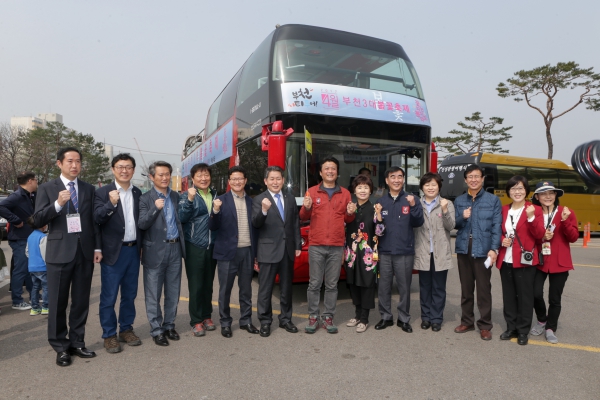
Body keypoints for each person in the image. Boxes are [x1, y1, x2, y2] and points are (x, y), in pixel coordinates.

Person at [33, 147, 102, 367]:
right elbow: (37, 219)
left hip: (84, 251)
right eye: (70, 161)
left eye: (78, 161)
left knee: (81, 301)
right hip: (59, 252)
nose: (74, 165)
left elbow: (93, 222)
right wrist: (58, 204)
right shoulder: (46, 188)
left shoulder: (89, 189)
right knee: (57, 302)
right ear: (59, 163)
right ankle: (60, 347)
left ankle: (77, 342)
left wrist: (97, 248)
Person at [300, 156, 356, 334]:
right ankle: (313, 317)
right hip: (316, 244)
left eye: (333, 168)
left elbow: (348, 219)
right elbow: (303, 217)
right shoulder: (312, 191)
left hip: (336, 245)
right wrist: (306, 207)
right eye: (326, 168)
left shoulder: (345, 193)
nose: (330, 171)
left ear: (337, 172)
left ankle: (328, 317)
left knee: (332, 284)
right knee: (314, 283)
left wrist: (351, 213)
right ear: (321, 172)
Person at [94, 154, 143, 353]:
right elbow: (97, 219)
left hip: (133, 251)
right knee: (109, 296)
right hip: (113, 252)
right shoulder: (103, 192)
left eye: (128, 167)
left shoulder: (138, 192)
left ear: (133, 169)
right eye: (120, 167)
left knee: (130, 295)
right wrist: (111, 204)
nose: (124, 170)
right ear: (113, 169)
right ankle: (108, 334)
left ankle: (126, 329)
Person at [139, 161, 185, 347]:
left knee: (173, 291)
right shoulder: (145, 199)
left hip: (175, 249)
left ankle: (169, 325)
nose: (165, 178)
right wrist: (154, 209)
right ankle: (157, 330)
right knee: (153, 293)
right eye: (160, 175)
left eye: (167, 174)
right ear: (152, 177)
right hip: (155, 250)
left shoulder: (176, 196)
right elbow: (142, 223)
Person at [209, 166, 259, 338]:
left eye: (240, 179)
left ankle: (246, 321)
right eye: (233, 179)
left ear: (245, 181)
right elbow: (212, 226)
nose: (237, 182)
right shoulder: (220, 201)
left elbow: (257, 228)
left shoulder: (253, 202)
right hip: (227, 253)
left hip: (247, 251)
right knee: (225, 290)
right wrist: (214, 211)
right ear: (229, 182)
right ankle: (225, 323)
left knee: (246, 289)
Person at [453, 164, 501, 341]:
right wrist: (462, 217)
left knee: (483, 289)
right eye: (470, 177)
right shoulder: (459, 201)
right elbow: (454, 225)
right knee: (466, 288)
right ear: (465, 180)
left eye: (477, 176)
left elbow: (497, 227)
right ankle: (467, 321)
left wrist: (494, 249)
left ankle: (485, 325)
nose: (473, 180)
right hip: (464, 247)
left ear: (482, 179)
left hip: (483, 249)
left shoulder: (492, 200)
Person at [252, 166, 301, 337]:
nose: (275, 182)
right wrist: (264, 210)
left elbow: (295, 223)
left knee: (286, 288)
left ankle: (286, 319)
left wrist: (297, 245)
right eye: (271, 179)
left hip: (287, 250)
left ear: (283, 180)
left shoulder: (290, 198)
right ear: (265, 181)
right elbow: (256, 224)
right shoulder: (259, 200)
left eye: (278, 178)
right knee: (265, 289)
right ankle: (265, 321)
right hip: (268, 250)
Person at [373, 166, 424, 333]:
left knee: (404, 287)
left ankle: (404, 319)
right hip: (385, 251)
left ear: (404, 179)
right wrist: (379, 217)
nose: (396, 180)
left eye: (400, 177)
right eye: (393, 177)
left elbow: (418, 222)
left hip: (404, 251)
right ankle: (386, 317)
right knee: (384, 286)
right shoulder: (380, 201)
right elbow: (378, 231)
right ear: (387, 180)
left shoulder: (411, 198)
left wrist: (414, 205)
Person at [496, 176, 545, 345]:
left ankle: (523, 330)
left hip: (525, 260)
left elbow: (540, 236)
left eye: (521, 188)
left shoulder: (535, 210)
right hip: (506, 259)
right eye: (513, 188)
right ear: (508, 191)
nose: (517, 192)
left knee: (525, 296)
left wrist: (531, 218)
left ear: (526, 191)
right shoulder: (503, 210)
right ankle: (511, 328)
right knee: (508, 296)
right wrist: (502, 239)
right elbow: (498, 231)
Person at [530, 181, 578, 344]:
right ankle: (542, 320)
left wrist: (564, 221)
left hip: (560, 261)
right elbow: (530, 235)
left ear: (556, 195)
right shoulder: (534, 213)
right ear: (537, 197)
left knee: (554, 298)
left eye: (551, 193)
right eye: (543, 194)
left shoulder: (566, 212)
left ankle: (551, 327)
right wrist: (542, 237)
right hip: (540, 260)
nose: (548, 196)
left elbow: (573, 238)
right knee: (535, 293)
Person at [177, 163, 217, 337]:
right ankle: (196, 320)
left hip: (212, 245)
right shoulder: (187, 195)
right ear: (193, 179)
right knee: (196, 285)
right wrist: (190, 200)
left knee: (208, 284)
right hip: (194, 245)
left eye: (206, 175)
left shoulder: (215, 194)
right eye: (199, 175)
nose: (203, 178)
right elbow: (181, 217)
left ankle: (207, 316)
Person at [413, 173, 455, 332]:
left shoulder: (447, 203)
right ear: (422, 187)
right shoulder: (417, 204)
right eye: (427, 185)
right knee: (424, 287)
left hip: (440, 253)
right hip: (423, 251)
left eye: (434, 185)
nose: (430, 188)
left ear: (439, 187)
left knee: (438, 288)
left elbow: (451, 226)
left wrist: (444, 210)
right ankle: (426, 317)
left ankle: (436, 318)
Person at [344, 174, 381, 333]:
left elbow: (380, 231)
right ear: (354, 190)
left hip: (368, 253)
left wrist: (379, 216)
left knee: (366, 285)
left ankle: (365, 318)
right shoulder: (350, 207)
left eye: (366, 187)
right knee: (353, 283)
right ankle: (357, 314)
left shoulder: (375, 208)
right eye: (359, 187)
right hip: (351, 253)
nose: (363, 190)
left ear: (370, 190)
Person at [0, 171, 37, 311]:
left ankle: (33, 295)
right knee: (20, 270)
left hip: (29, 236)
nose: (36, 183)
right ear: (29, 181)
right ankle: (17, 300)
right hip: (19, 238)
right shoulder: (17, 196)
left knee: (29, 269)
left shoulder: (29, 195)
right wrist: (15, 220)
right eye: (35, 180)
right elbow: (1, 207)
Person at [25, 217, 48, 316]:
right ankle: (46, 307)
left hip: (32, 266)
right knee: (46, 287)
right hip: (42, 266)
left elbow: (27, 251)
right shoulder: (43, 237)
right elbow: (45, 253)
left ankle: (34, 308)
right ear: (43, 226)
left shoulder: (30, 236)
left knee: (35, 287)